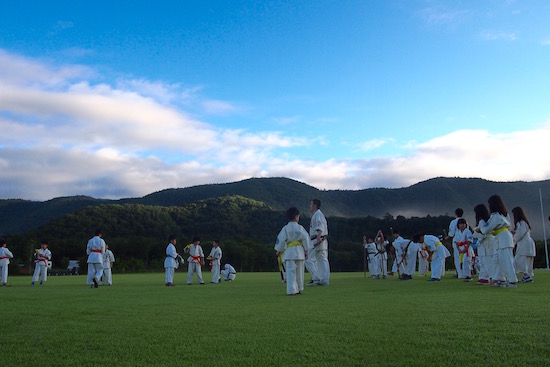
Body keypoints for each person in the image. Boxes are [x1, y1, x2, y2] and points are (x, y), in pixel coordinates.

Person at [476, 195, 518, 288]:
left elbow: (487, 228)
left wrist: (480, 230)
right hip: (500, 238)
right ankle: (500, 279)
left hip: (503, 238)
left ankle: (512, 281)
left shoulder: (496, 216)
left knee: (506, 260)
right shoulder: (503, 214)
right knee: (496, 260)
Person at [275, 207, 310, 295]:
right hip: (300, 252)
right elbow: (306, 239)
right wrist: (306, 250)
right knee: (300, 272)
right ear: (296, 216)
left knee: (291, 272)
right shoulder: (300, 228)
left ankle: (291, 290)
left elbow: (281, 240)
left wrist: (279, 251)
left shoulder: (285, 228)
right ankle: (299, 288)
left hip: (290, 252)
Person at [305, 199, 330, 286]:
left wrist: (319, 236)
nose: (310, 206)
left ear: (315, 205)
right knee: (322, 260)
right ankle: (324, 280)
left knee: (308, 260)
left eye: (311, 204)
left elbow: (320, 225)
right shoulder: (318, 214)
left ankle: (317, 277)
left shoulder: (318, 214)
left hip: (317, 239)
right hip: (321, 240)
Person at [511, 206, 536, 283]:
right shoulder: (524, 223)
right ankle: (527, 276)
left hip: (525, 244)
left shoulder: (521, 222)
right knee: (526, 261)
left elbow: (520, 234)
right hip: (528, 243)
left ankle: (526, 275)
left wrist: (513, 238)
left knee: (520, 260)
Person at [473, 204, 495, 285]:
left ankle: (489, 277)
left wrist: (475, 234)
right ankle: (484, 277)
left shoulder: (481, 221)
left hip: (485, 243)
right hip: (489, 241)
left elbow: (482, 234)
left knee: (486, 260)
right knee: (485, 260)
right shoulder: (488, 220)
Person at [446, 208, 464, 278]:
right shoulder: (465, 222)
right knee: (464, 258)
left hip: (457, 241)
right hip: (464, 242)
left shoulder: (453, 222)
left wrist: (448, 236)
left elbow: (451, 233)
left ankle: (459, 274)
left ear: (455, 214)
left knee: (457, 258)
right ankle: (464, 272)